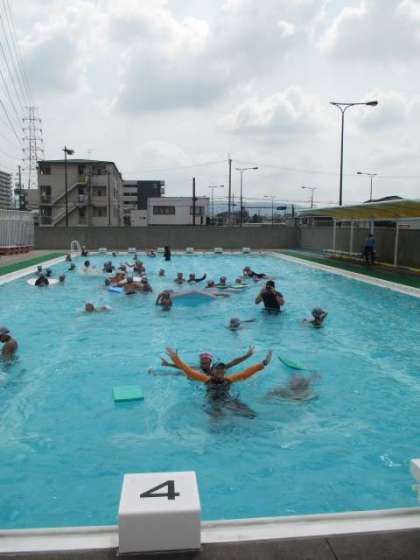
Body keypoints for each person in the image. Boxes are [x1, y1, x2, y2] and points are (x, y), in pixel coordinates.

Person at [165, 346, 272, 388]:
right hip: (212, 401)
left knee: (250, 414)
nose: (220, 371)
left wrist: (264, 363)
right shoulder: (205, 378)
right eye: (218, 369)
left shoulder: (229, 379)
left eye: (222, 369)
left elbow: (246, 373)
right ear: (213, 372)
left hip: (228, 399)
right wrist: (174, 359)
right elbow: (188, 370)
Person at [160, 346, 256, 374]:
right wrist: (168, 364)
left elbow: (234, 362)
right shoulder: (198, 367)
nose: (204, 365)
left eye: (206, 362)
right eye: (202, 362)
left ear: (210, 362)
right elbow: (183, 367)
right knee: (182, 374)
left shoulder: (217, 367)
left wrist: (247, 355)